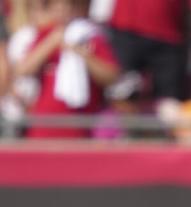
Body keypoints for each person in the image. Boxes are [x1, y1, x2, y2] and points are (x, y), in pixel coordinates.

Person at [15, 0, 120, 139]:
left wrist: (81, 54)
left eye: (67, 5)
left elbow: (111, 77)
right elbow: (22, 70)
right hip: (43, 128)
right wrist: (52, 42)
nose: (62, 11)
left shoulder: (91, 37)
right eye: (56, 6)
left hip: (81, 129)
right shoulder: (44, 35)